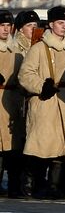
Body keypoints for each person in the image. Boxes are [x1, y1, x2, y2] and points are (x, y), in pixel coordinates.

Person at [18, 7, 65, 198]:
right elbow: (25, 74)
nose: (64, 27)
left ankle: (54, 186)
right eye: (60, 23)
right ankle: (30, 182)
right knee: (41, 145)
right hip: (44, 101)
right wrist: (41, 86)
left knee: (63, 147)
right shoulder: (39, 48)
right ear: (51, 24)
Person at [0, 11, 23, 196]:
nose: (6, 29)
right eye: (2, 25)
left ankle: (14, 184)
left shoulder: (16, 49)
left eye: (8, 26)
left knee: (12, 145)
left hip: (12, 99)